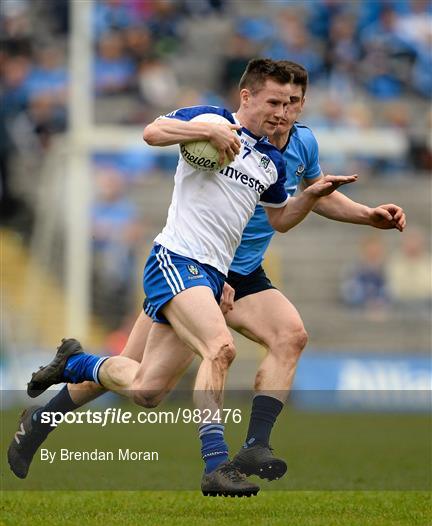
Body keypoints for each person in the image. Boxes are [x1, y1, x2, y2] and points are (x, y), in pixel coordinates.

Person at [8, 59, 363, 495]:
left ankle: (75, 365)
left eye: (290, 104)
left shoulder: (273, 161)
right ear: (246, 96)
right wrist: (207, 132)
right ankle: (217, 465)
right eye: (273, 101)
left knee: (146, 389)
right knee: (221, 348)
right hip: (174, 260)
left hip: (215, 274)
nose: (282, 112)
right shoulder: (210, 119)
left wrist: (309, 196)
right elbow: (152, 132)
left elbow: (280, 218)